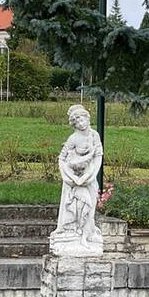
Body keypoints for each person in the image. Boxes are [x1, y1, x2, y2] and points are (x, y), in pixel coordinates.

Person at [52, 105, 103, 251]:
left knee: (90, 207)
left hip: (89, 178)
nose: (81, 123)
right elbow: (62, 159)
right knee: (75, 208)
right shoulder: (73, 138)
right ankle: (72, 232)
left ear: (88, 118)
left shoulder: (95, 135)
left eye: (82, 119)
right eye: (77, 121)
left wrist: (92, 176)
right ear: (74, 124)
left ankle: (87, 234)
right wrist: (68, 177)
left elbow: (98, 157)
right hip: (73, 179)